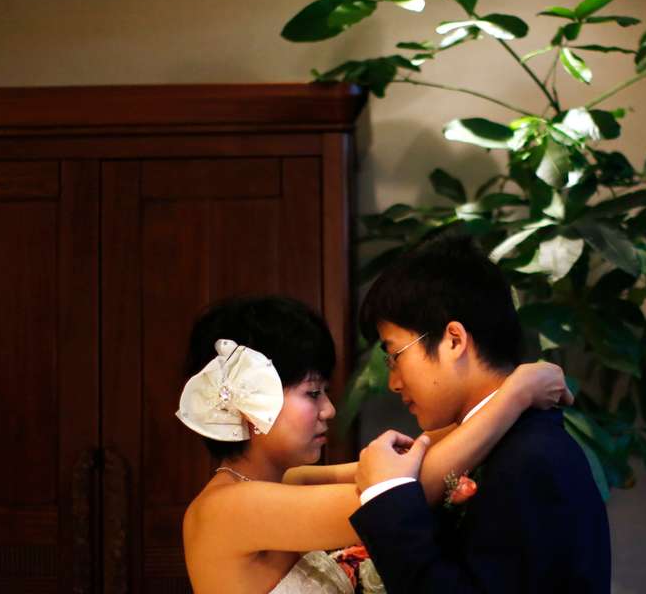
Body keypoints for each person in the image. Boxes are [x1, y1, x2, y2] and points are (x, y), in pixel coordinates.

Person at [177, 295, 572, 594]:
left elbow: (415, 458)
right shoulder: (224, 510)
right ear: (247, 405)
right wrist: (516, 392)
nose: (330, 410)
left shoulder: (289, 481)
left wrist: (499, 392)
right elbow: (394, 496)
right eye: (313, 393)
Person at [349, 235, 612, 593]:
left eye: (395, 355)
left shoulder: (528, 458)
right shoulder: (505, 441)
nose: (393, 382)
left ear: (454, 340)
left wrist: (389, 497)